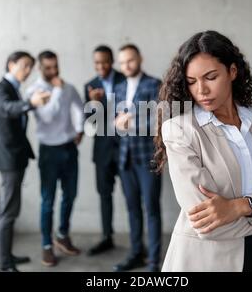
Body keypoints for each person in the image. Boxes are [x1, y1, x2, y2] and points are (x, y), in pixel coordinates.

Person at [154, 30, 252, 272]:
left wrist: (240, 206)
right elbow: (207, 224)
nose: (201, 90)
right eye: (192, 82)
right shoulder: (179, 130)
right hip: (207, 263)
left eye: (210, 77)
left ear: (232, 72)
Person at [0, 51, 51, 272]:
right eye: (24, 66)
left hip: (14, 157)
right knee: (9, 211)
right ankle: (5, 264)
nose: (27, 71)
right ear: (11, 64)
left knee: (4, 209)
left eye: (30, 68)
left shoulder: (12, 88)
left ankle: (0, 256)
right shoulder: (1, 89)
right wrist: (30, 103)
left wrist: (29, 103)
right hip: (9, 159)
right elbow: (7, 108)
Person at [25, 50, 84, 267]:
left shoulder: (68, 88)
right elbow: (48, 116)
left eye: (56, 66)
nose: (54, 71)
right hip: (49, 152)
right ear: (41, 69)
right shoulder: (34, 91)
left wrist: (80, 130)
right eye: (49, 68)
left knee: (70, 195)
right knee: (48, 201)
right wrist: (58, 90)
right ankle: (46, 245)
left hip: (69, 149)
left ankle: (62, 235)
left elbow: (79, 107)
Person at [113, 44, 162, 272]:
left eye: (130, 60)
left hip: (148, 158)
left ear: (140, 58)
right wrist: (118, 123)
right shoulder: (119, 87)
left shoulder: (154, 85)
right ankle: (135, 253)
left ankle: (153, 261)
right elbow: (115, 123)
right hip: (126, 159)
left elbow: (160, 123)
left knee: (151, 208)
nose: (126, 66)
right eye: (122, 62)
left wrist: (130, 122)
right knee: (132, 209)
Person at [84, 45, 126, 256]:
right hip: (102, 152)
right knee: (104, 195)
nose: (101, 66)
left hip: (126, 149)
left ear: (112, 61)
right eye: (97, 63)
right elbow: (90, 124)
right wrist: (93, 103)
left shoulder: (125, 80)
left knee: (132, 197)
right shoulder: (90, 86)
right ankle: (106, 237)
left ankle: (137, 243)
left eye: (104, 62)